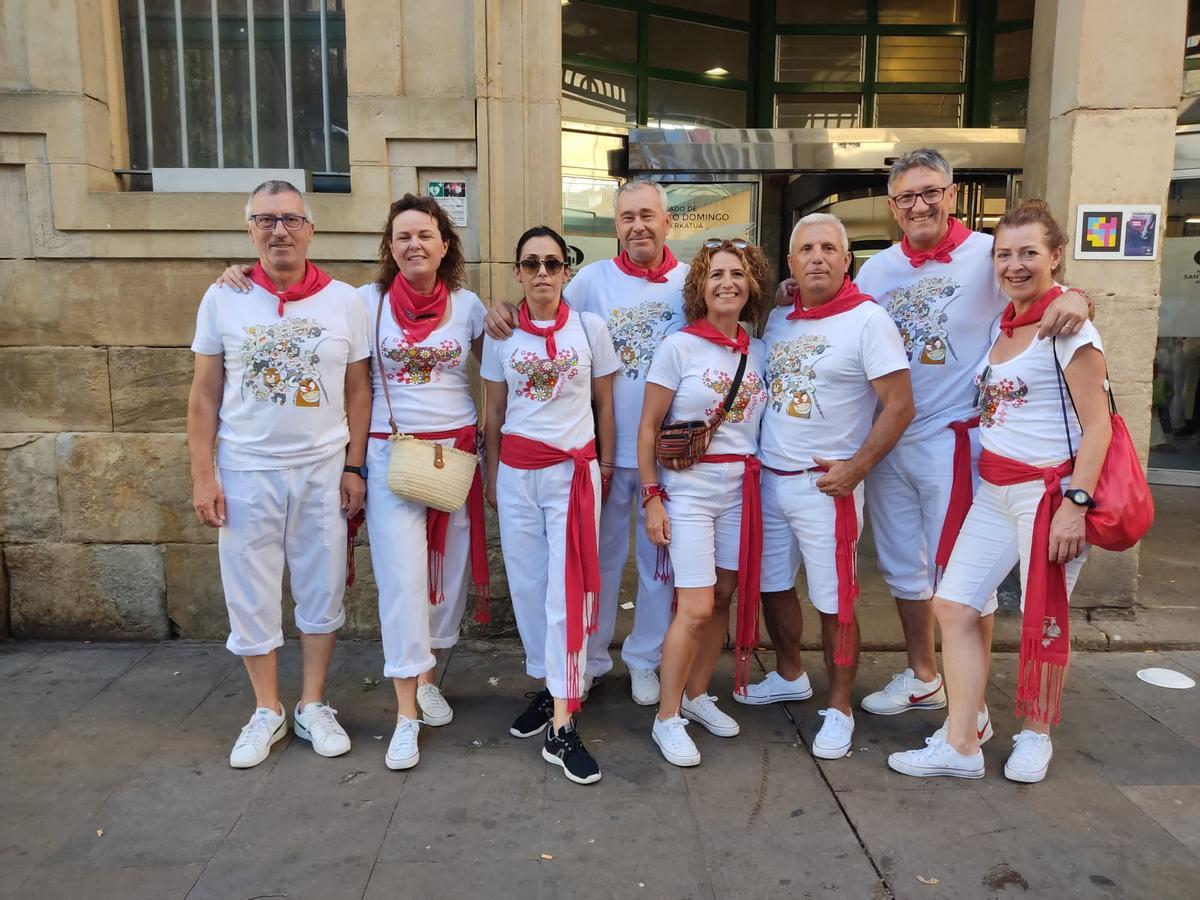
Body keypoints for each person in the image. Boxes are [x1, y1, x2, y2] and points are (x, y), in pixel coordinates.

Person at [214, 195, 490, 771]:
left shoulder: (469, 306)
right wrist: (240, 273)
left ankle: (428, 675)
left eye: (425, 234)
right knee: (402, 580)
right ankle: (405, 714)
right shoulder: (366, 301)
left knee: (447, 578)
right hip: (392, 456)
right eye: (402, 236)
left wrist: (511, 316)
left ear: (445, 244)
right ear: (389, 246)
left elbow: (503, 364)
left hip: (454, 458)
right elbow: (354, 379)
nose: (414, 244)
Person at [852, 149, 1090, 731]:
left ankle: (972, 708)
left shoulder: (989, 253)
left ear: (952, 194)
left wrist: (1077, 296)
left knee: (964, 581)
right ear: (893, 207)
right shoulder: (875, 271)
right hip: (890, 440)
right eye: (907, 197)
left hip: (958, 443)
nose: (920, 205)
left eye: (930, 192)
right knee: (903, 567)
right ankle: (923, 676)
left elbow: (1043, 286)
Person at [888, 199, 1111, 783]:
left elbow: (1100, 427)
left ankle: (1036, 734)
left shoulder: (1071, 331)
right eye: (1005, 254)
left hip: (1050, 496)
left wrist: (1075, 505)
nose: (1015, 265)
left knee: (1044, 617)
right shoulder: (1003, 324)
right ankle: (962, 741)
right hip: (994, 489)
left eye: (1029, 253)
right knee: (954, 604)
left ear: (1054, 256)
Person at [188, 180, 372, 768]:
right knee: (250, 592)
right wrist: (203, 475)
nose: (279, 230)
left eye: (290, 219)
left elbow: (359, 390)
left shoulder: (345, 300)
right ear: (250, 231)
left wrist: (354, 465)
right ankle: (266, 709)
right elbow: (204, 393)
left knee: (321, 588)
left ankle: (312, 703)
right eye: (265, 220)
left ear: (310, 230)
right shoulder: (224, 297)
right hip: (246, 469)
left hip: (323, 468)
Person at [484, 180, 684, 706]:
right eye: (627, 217)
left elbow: (734, 311)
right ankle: (587, 661)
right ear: (616, 225)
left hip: (668, 452)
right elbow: (540, 313)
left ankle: (644, 658)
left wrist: (785, 293)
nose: (638, 226)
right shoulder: (592, 279)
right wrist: (499, 309)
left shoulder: (690, 282)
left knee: (658, 563)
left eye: (647, 215)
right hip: (601, 455)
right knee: (598, 562)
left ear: (667, 222)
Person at [742, 215, 913, 760]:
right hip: (770, 479)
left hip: (826, 488)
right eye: (806, 249)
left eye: (828, 248)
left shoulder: (869, 321)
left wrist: (857, 468)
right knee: (772, 585)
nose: (817, 257)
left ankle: (839, 708)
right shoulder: (779, 319)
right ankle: (790, 674)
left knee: (835, 602)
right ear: (791, 264)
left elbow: (900, 406)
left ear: (846, 260)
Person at [482, 226, 619, 785]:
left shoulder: (590, 329)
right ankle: (550, 685)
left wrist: (606, 466)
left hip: (572, 476)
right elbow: (494, 412)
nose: (542, 272)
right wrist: (493, 476)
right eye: (531, 263)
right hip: (518, 476)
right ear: (518, 272)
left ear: (566, 271)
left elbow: (605, 404)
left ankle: (563, 723)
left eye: (553, 263)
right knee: (529, 587)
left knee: (568, 591)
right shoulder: (501, 333)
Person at [638, 238, 769, 768]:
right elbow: (648, 428)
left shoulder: (760, 349)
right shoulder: (678, 348)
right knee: (693, 605)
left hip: (742, 488)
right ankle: (666, 716)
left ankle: (696, 695)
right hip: (689, 489)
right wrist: (652, 497)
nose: (727, 283)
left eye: (737, 274)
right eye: (716, 274)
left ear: (750, 285)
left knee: (722, 597)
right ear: (700, 286)